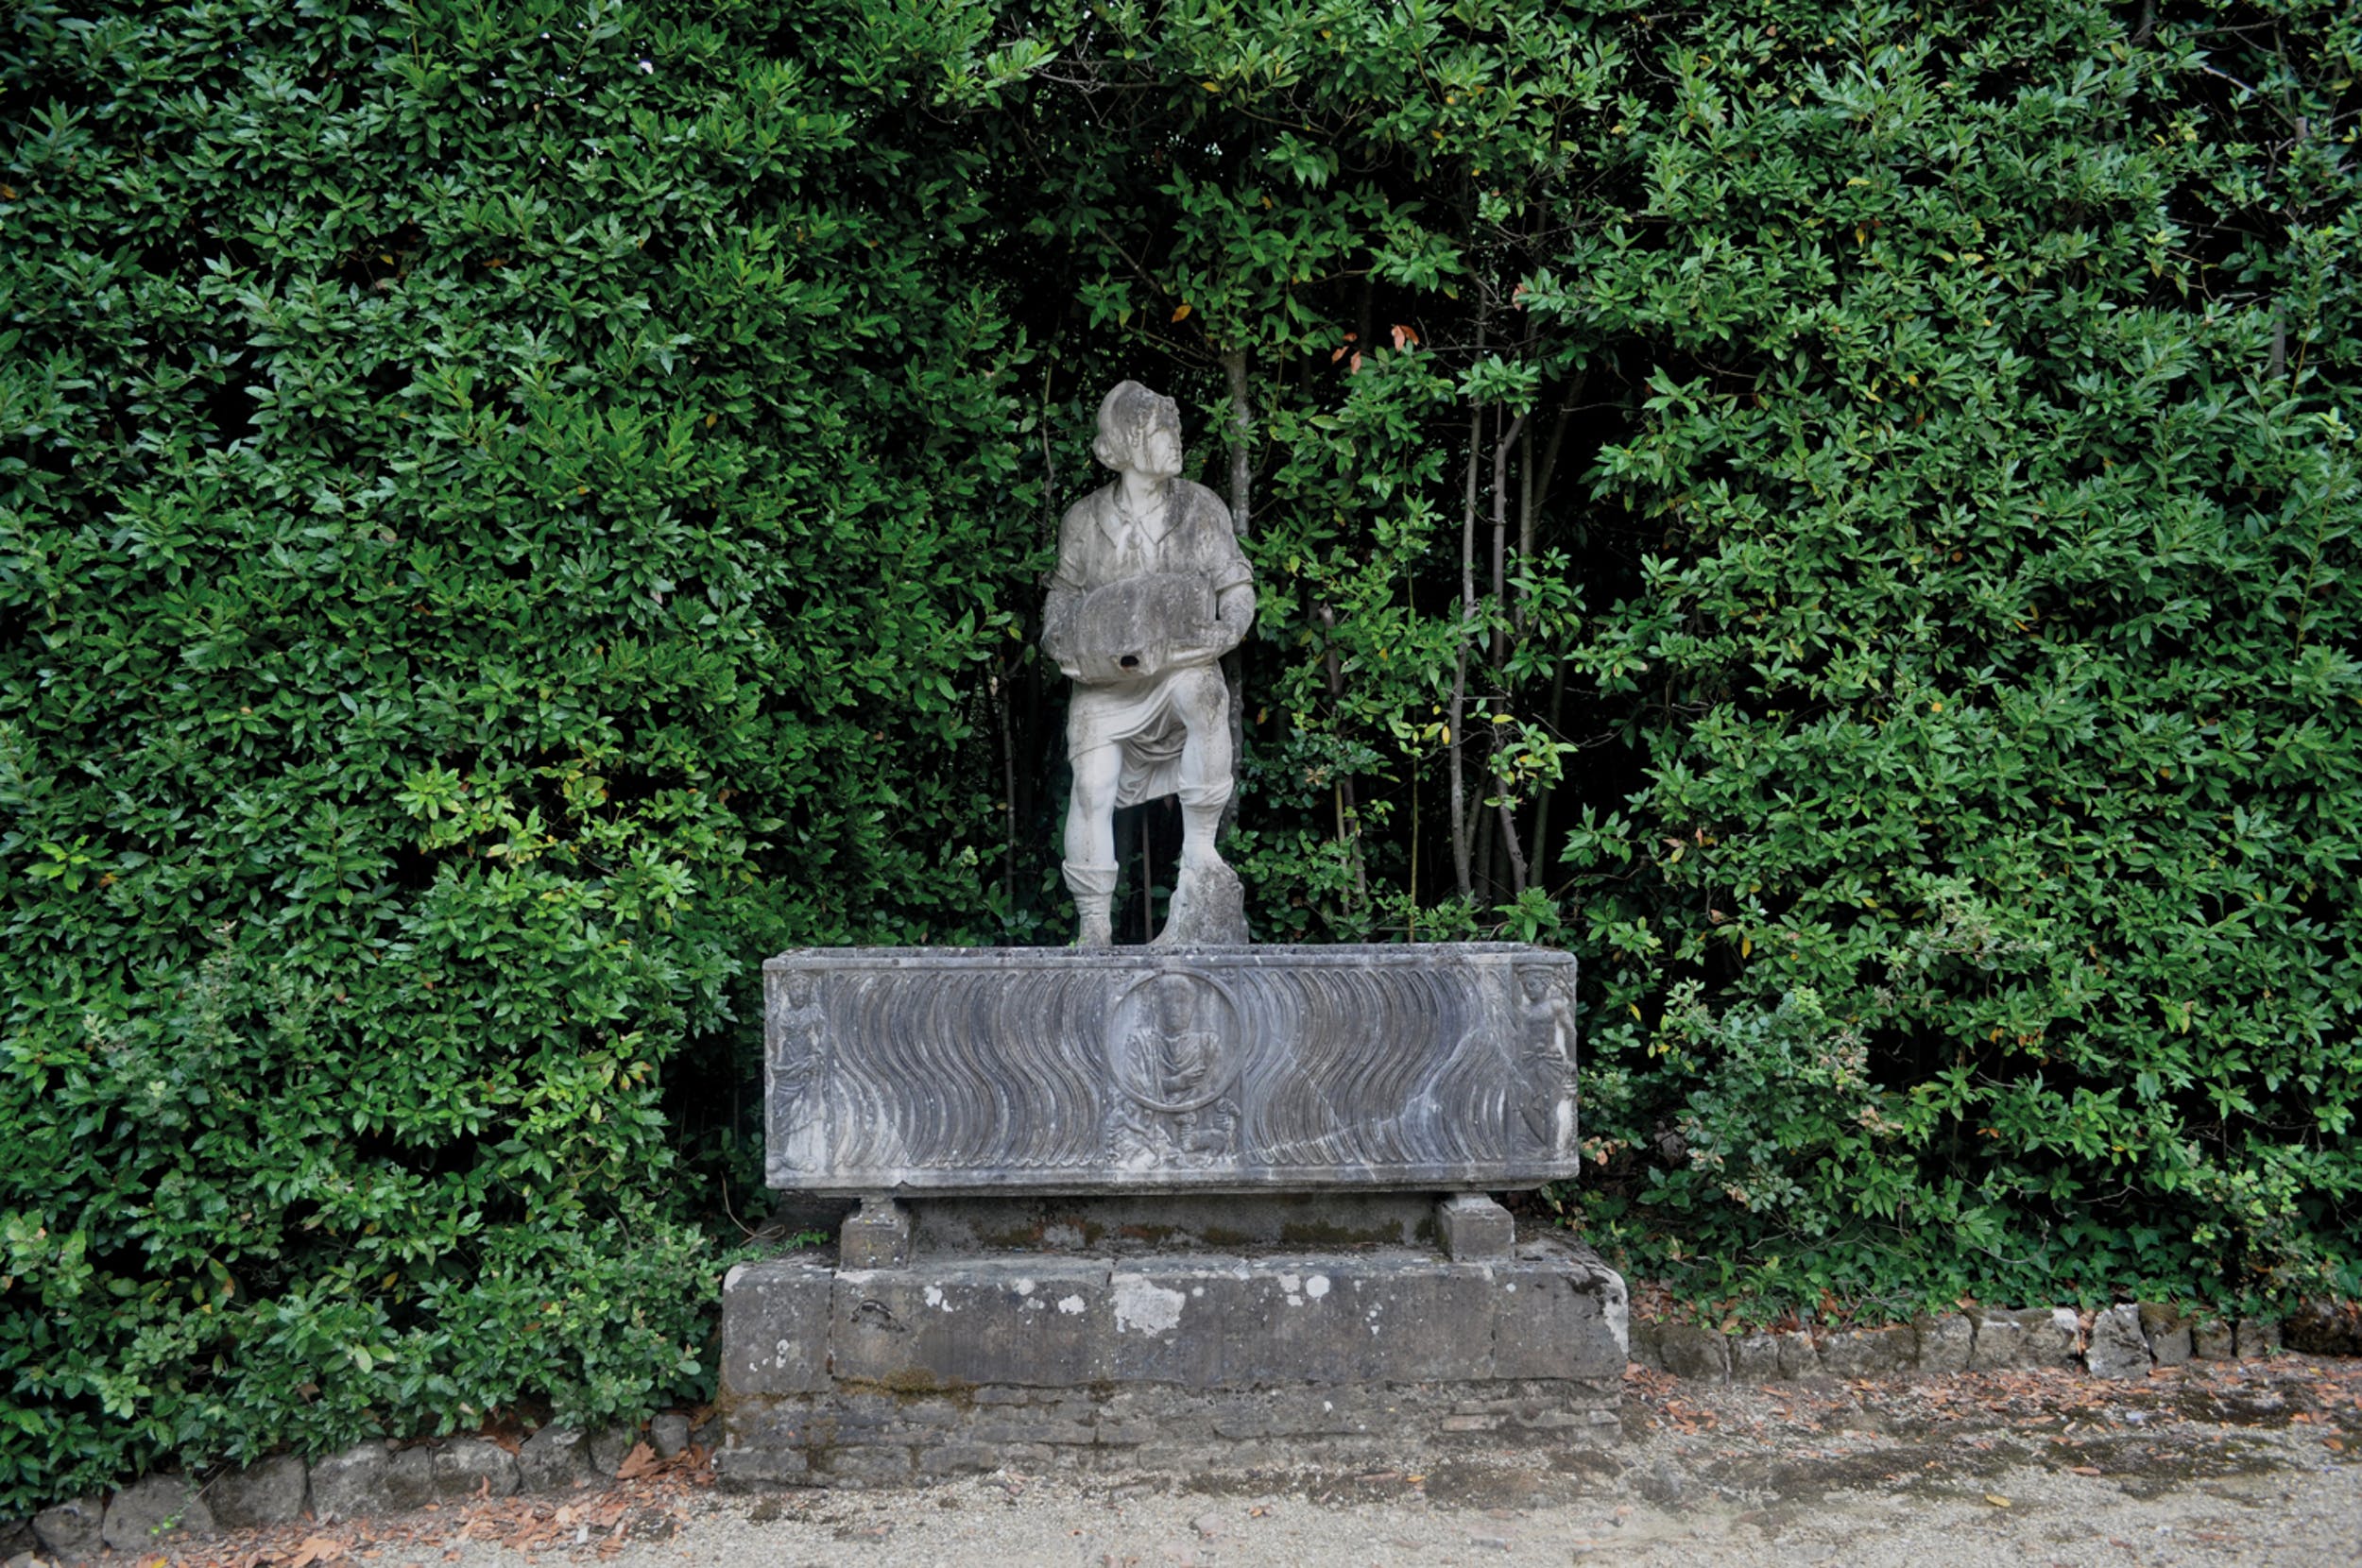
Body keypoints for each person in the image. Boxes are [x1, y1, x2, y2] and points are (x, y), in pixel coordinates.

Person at [1042, 383, 1256, 946]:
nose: (1176, 439)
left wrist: (1226, 632)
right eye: (1162, 430)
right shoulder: (1084, 520)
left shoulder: (1200, 508)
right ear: (1122, 447)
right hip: (1109, 680)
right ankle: (1093, 925)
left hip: (1181, 664)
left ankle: (1200, 857)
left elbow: (1236, 587)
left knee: (1203, 692)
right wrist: (1063, 642)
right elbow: (1062, 598)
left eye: (1175, 428)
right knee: (1091, 786)